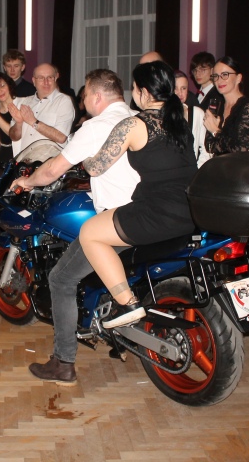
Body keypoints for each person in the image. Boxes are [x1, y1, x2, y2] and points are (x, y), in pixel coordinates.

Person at [12, 68, 140, 385]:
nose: (83, 102)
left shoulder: (96, 126)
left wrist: (27, 182)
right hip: (149, 212)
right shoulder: (138, 119)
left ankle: (63, 362)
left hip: (118, 221)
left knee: (61, 278)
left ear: (96, 96)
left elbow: (52, 170)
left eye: (84, 95)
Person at [78, 60, 196, 329]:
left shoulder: (133, 124)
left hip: (159, 212)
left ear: (144, 92)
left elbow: (96, 167)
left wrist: (84, 158)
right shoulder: (181, 118)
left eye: (133, 88)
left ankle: (127, 303)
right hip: (191, 208)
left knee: (89, 233)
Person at [8, 63, 75, 154]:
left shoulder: (64, 101)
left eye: (49, 77)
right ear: (33, 81)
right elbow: (14, 137)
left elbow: (61, 137)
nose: (46, 82)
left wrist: (34, 122)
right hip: (25, 160)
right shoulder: (25, 102)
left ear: (55, 78)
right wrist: (19, 123)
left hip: (51, 161)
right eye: (41, 78)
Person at [203, 56, 249, 155]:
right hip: (218, 163)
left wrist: (215, 131)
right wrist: (226, 142)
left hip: (237, 164)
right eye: (216, 76)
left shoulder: (247, 107)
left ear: (238, 78)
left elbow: (240, 148)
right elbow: (209, 146)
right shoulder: (217, 106)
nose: (219, 80)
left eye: (225, 75)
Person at [174, 70, 211, 167]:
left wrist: (197, 169)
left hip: (191, 170)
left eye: (183, 88)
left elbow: (206, 149)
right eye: (175, 88)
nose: (179, 93)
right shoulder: (160, 114)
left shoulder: (197, 113)